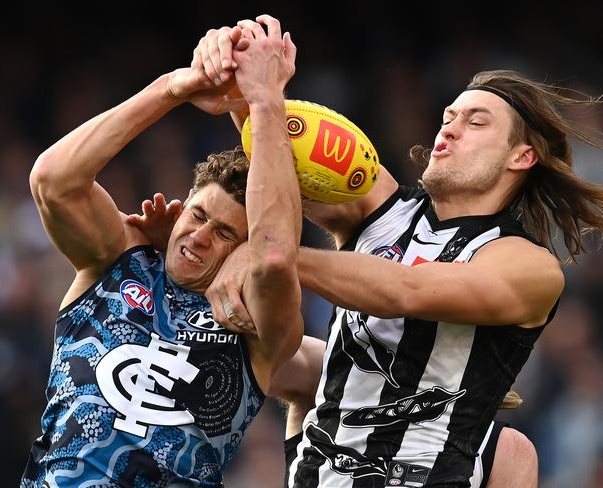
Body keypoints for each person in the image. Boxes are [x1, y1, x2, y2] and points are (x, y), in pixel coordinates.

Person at [178, 23, 603, 488]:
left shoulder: (527, 265)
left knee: (514, 450)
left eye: (475, 122)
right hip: (316, 478)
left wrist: (265, 254)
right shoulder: (381, 204)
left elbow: (406, 289)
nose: (450, 130)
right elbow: (281, 155)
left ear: (521, 157)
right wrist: (241, 86)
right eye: (449, 117)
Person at [21, 15, 304, 487]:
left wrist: (265, 99)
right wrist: (175, 88)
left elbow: (276, 255)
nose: (198, 237)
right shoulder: (119, 261)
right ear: (180, 207)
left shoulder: (255, 321)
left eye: (225, 235)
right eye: (197, 216)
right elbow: (53, 182)